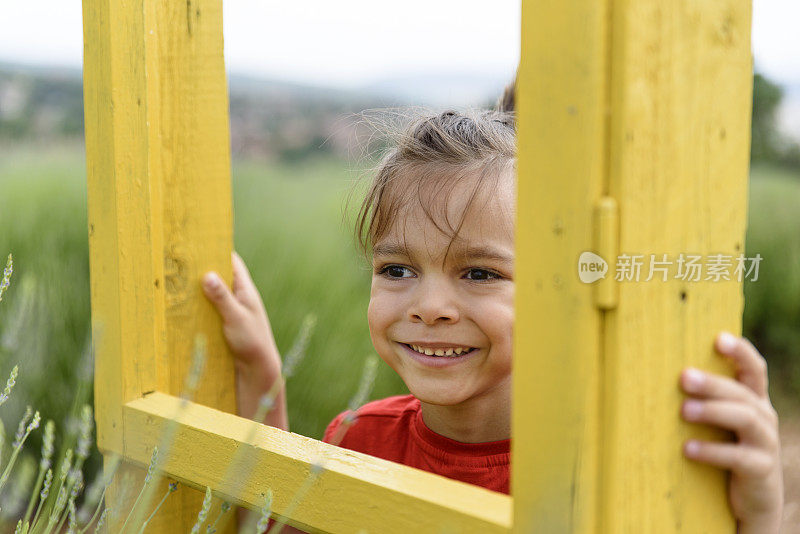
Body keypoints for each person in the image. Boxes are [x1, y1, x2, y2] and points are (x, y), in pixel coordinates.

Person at [201, 82, 783, 532]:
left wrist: (755, 519)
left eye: (479, 273)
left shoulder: (605, 470)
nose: (429, 307)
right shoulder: (358, 439)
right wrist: (262, 377)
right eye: (397, 269)